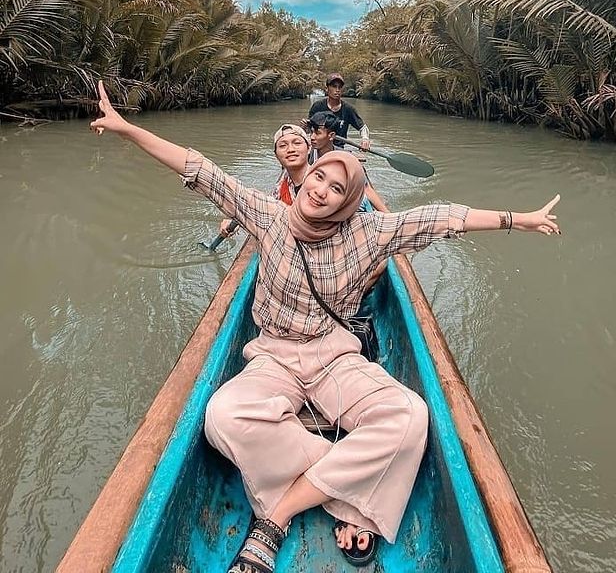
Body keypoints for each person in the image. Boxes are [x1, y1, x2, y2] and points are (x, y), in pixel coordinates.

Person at [90, 81, 562, 572]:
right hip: (273, 356)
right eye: (318, 179)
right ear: (306, 175)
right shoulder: (269, 216)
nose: (321, 191)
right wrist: (127, 129)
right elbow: (199, 169)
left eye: (338, 189)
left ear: (349, 199)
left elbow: (441, 216)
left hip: (335, 355)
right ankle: (352, 478)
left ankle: (280, 511)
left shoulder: (368, 230)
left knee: (409, 415)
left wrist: (517, 219)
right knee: (222, 416)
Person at [219, 124, 310, 237]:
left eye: (297, 143)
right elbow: (270, 206)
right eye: (283, 146)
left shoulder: (320, 183)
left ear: (309, 148)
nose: (290, 149)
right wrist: (238, 219)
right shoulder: (285, 179)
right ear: (276, 155)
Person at [307, 73, 371, 151]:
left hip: (339, 149)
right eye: (334, 86)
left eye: (340, 87)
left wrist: (365, 140)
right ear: (327, 88)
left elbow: (363, 128)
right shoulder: (317, 106)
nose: (337, 90)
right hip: (319, 147)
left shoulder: (348, 109)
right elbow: (310, 128)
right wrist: (304, 127)